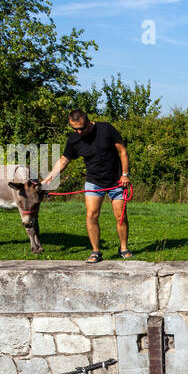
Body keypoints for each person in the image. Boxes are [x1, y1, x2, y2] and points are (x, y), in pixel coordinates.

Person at [39, 109, 133, 263]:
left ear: (89, 122)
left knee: (120, 216)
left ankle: (123, 248)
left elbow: (122, 151)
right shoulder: (74, 140)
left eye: (82, 128)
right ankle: (96, 251)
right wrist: (48, 179)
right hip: (94, 182)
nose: (79, 131)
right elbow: (63, 160)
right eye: (75, 129)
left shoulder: (106, 129)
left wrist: (125, 175)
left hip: (116, 180)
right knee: (91, 215)